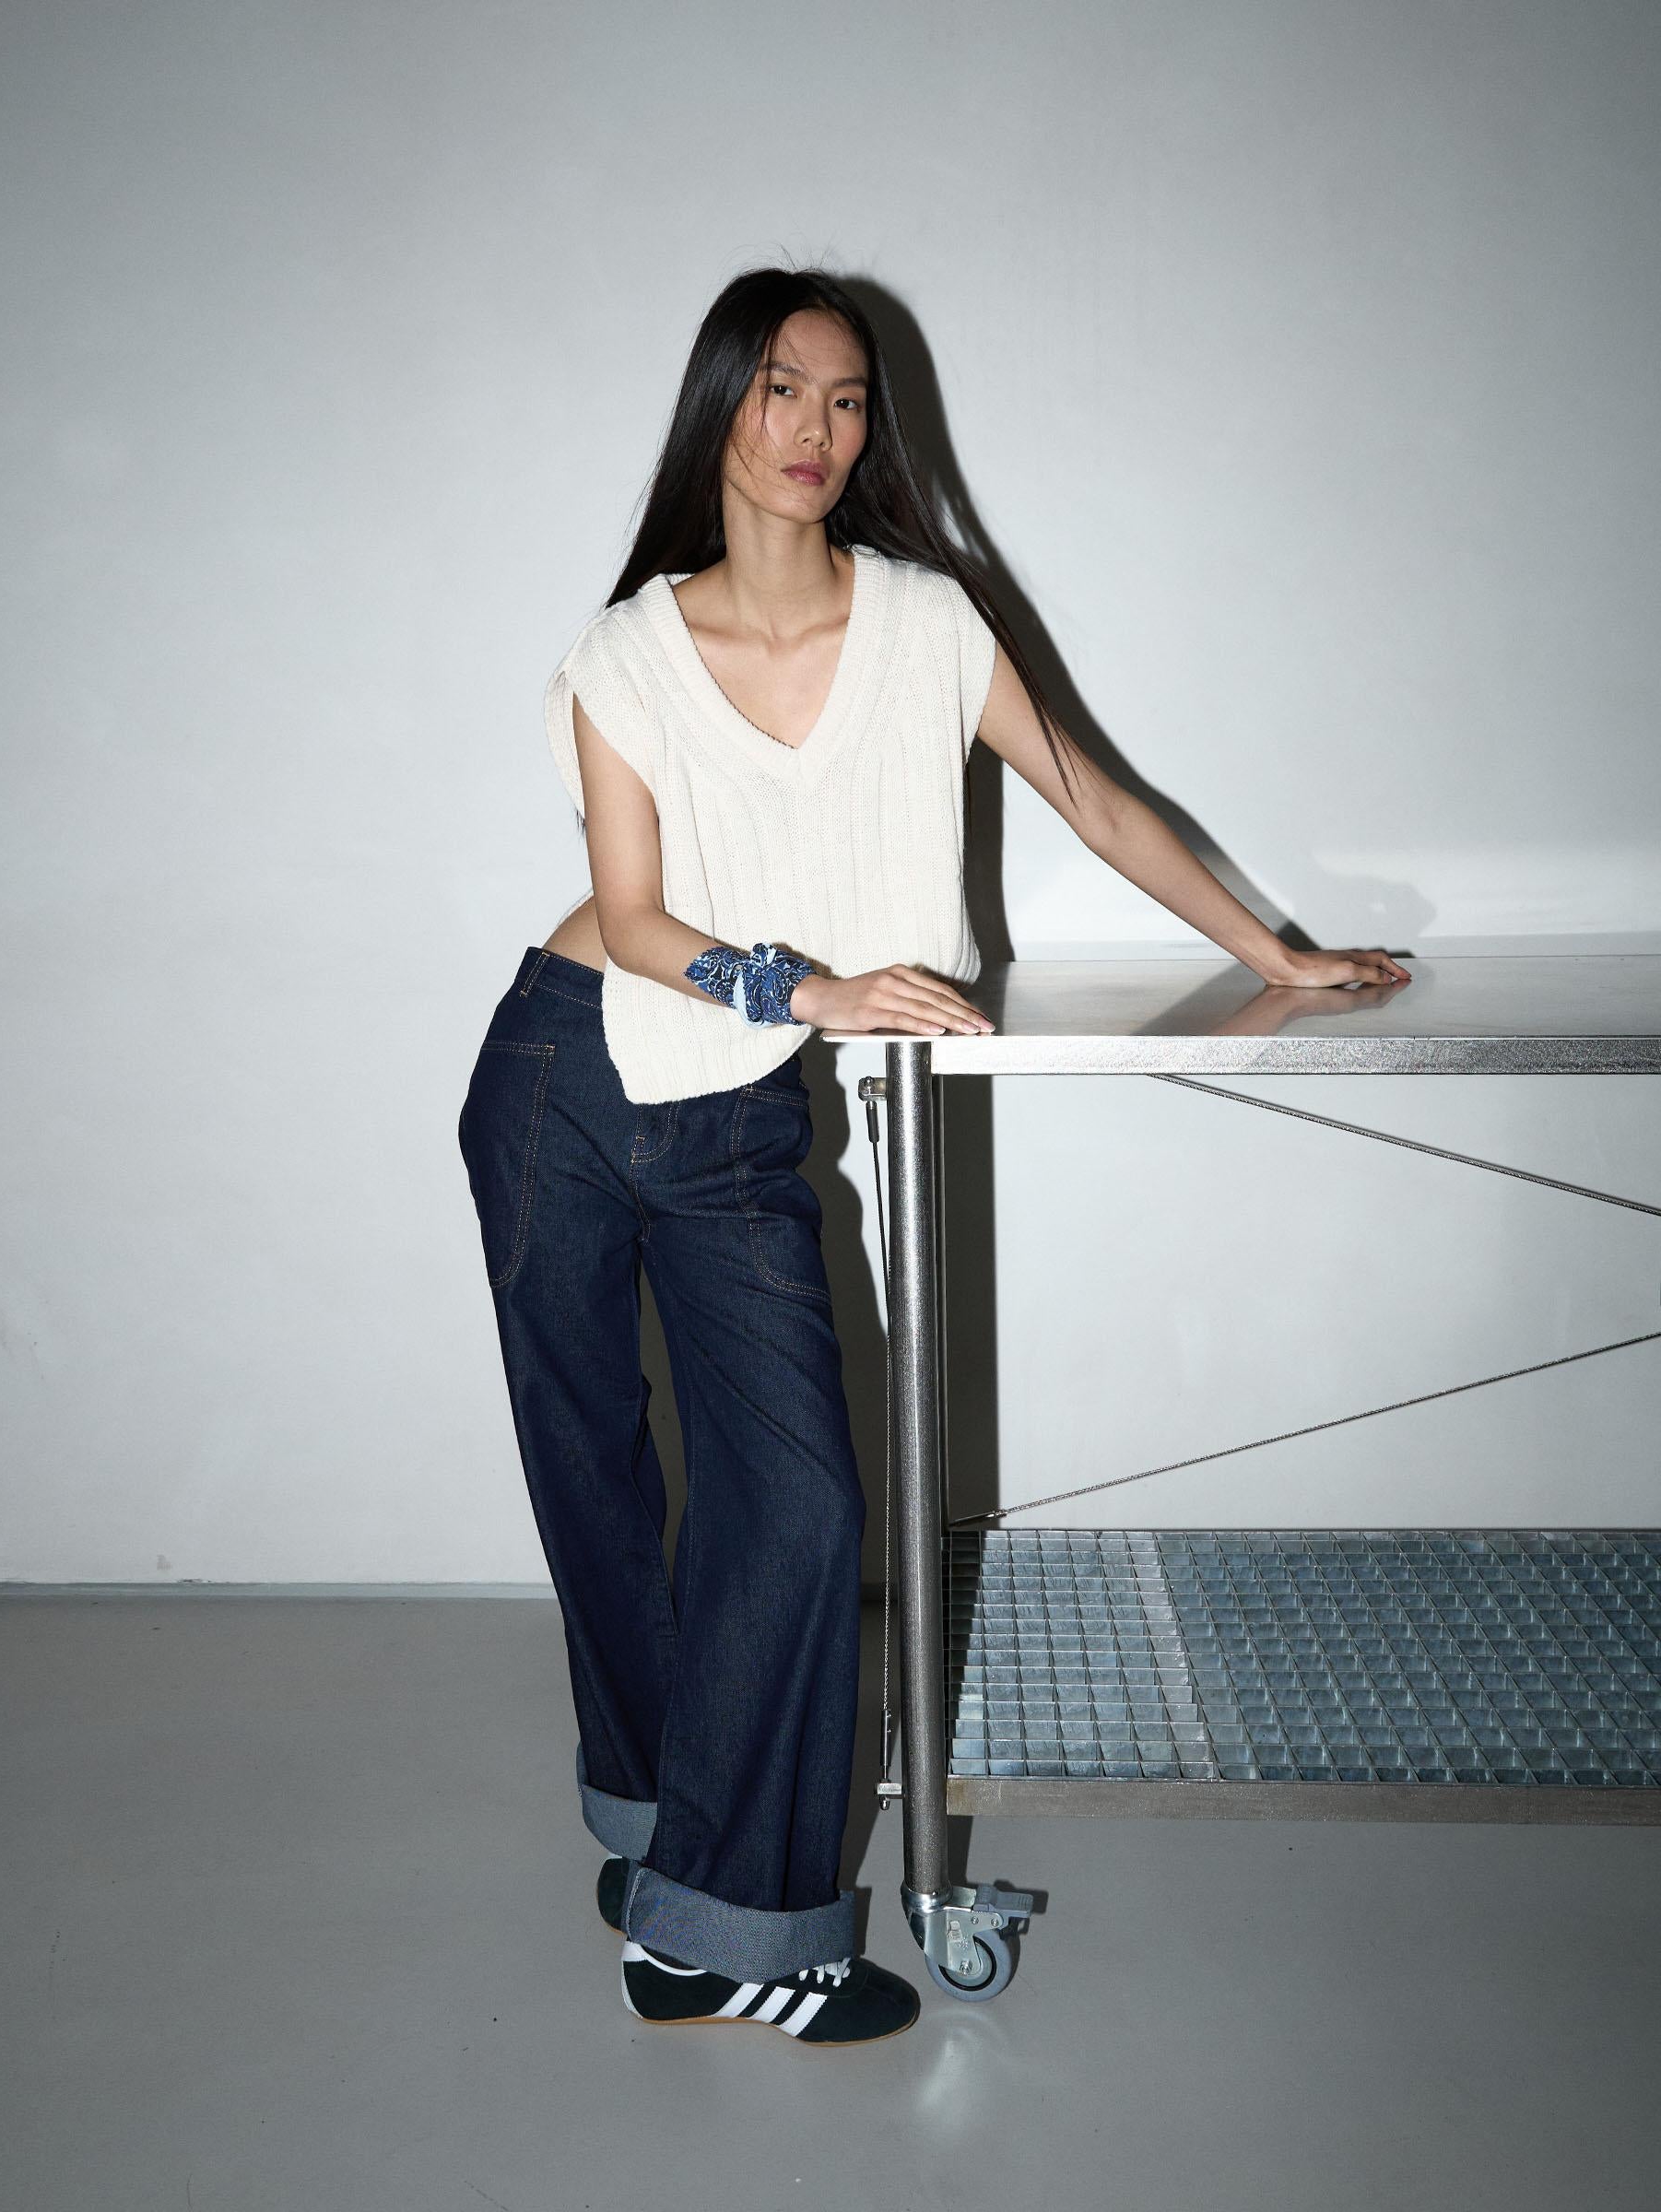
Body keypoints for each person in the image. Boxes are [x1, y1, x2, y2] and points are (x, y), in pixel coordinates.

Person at [458, 265, 1411, 2048]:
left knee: (799, 1504)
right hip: (561, 1074)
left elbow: (1094, 795)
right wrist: (811, 985)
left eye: (846, 399)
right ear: (720, 406)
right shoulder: (626, 656)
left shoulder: (925, 626)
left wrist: (1274, 951)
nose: (815, 430)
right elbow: (639, 919)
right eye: (781, 389)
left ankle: (713, 1937)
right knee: (597, 1473)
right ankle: (661, 1836)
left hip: (728, 1112)